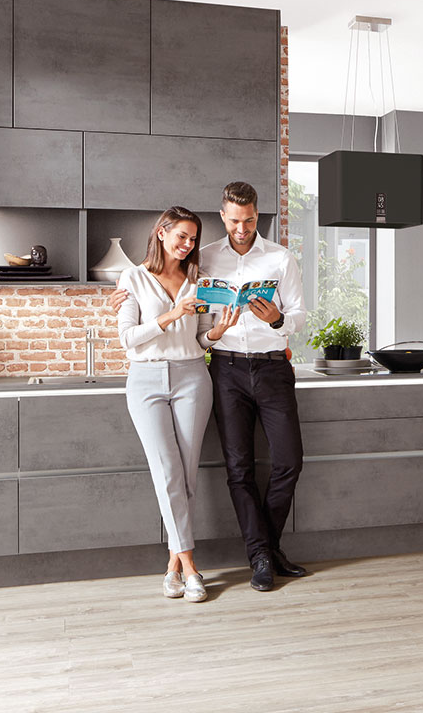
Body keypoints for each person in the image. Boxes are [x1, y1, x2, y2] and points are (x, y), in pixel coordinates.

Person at [115, 206, 241, 603]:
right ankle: (190, 566)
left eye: (193, 239)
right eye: (181, 236)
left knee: (185, 474)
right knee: (167, 470)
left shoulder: (198, 281)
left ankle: (172, 567)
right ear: (161, 233)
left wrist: (218, 332)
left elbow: (201, 339)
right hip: (146, 379)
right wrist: (171, 315)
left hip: (192, 377)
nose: (187, 245)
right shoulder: (133, 277)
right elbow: (128, 339)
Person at [195, 182, 309, 592]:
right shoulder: (205, 258)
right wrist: (213, 334)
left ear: (256, 216)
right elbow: (196, 326)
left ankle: (266, 547)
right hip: (225, 371)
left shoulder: (280, 258)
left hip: (274, 369)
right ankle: (263, 556)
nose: (241, 228)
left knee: (289, 461)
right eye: (234, 220)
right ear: (222, 216)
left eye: (248, 220)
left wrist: (279, 319)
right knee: (238, 468)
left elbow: (299, 314)